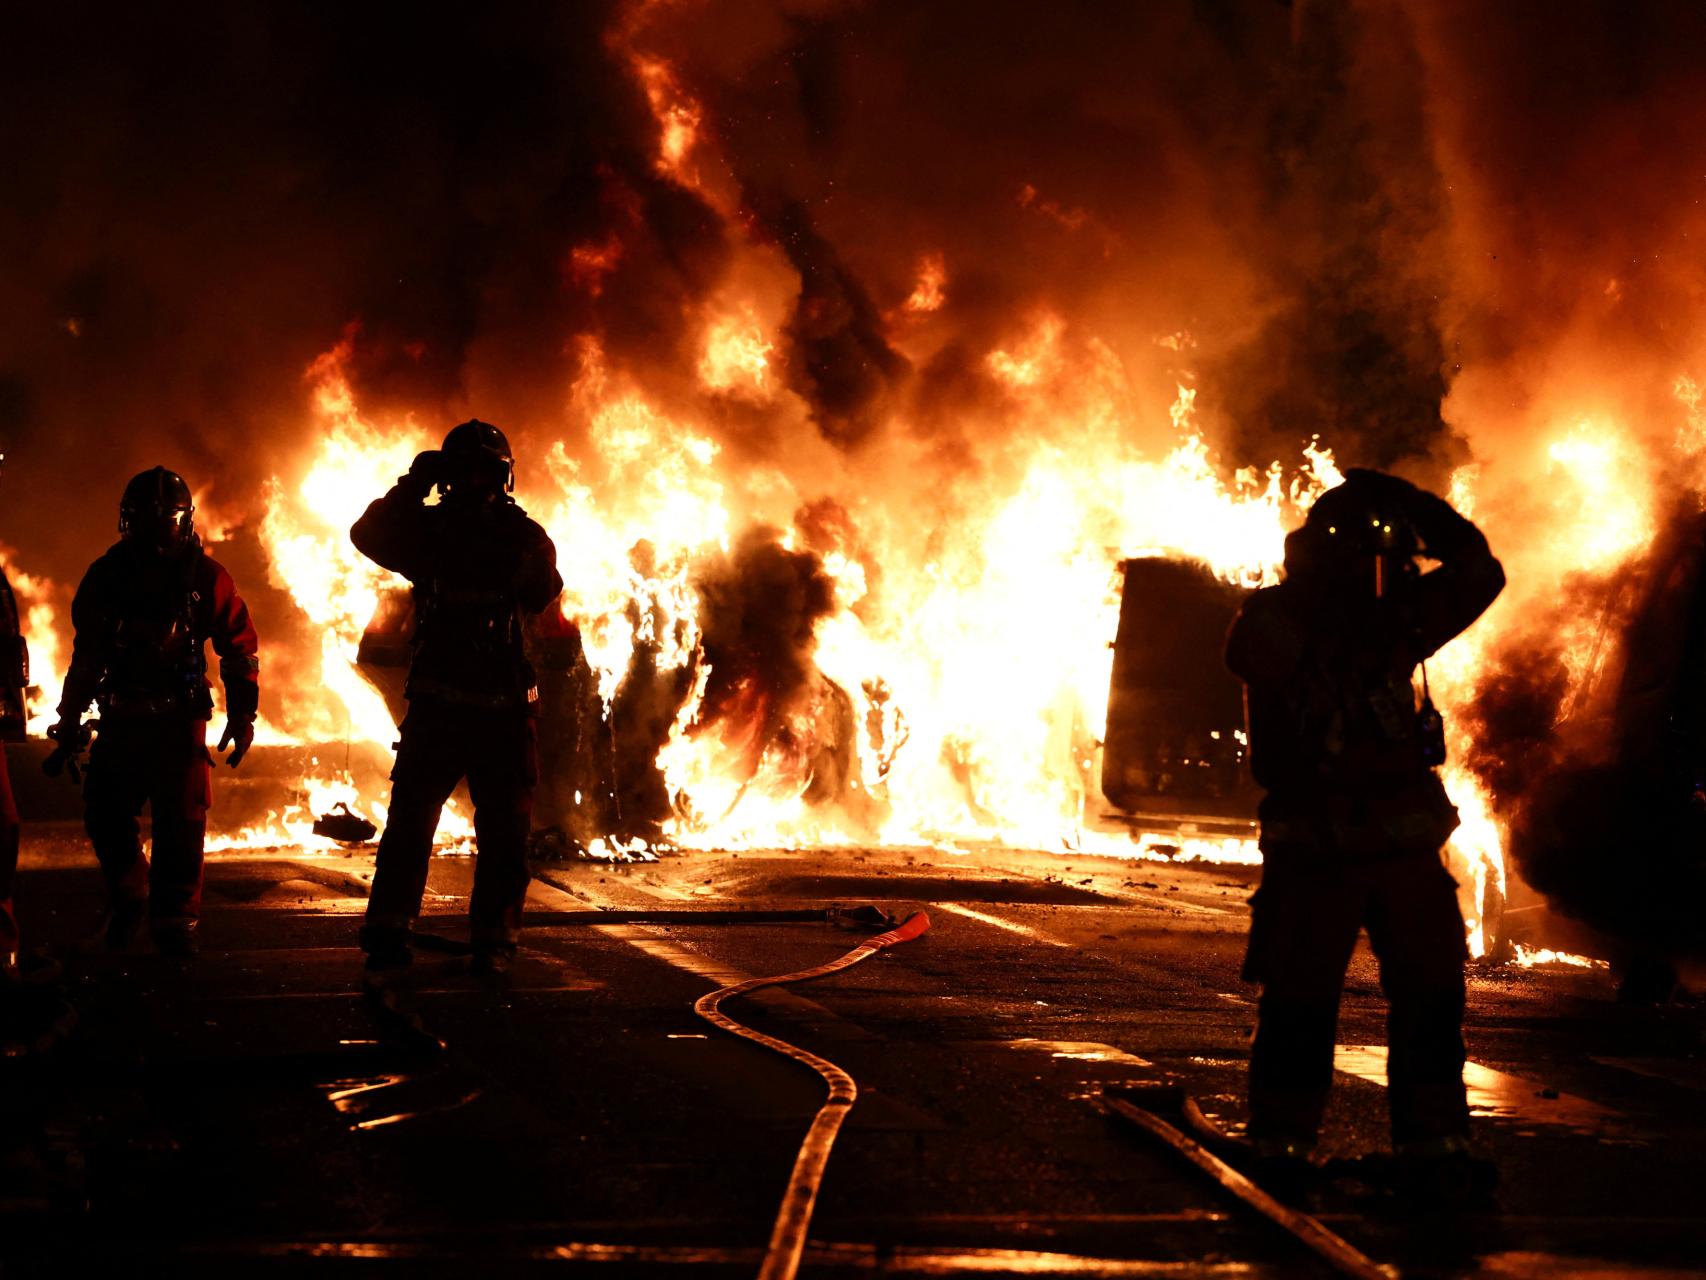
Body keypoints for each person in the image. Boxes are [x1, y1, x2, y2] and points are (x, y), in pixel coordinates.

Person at [1225, 468, 1504, 1194]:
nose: (1389, 574)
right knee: (1301, 1002)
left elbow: (1479, 571)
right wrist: (1338, 604)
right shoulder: (1278, 619)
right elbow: (1256, 654)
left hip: (1405, 849)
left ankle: (1434, 1145)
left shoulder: (1395, 620)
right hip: (1318, 850)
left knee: (1434, 996)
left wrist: (1414, 507)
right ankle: (1281, 1144)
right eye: (1375, 558)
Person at [352, 420, 562, 976]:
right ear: (447, 477)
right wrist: (410, 485)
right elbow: (367, 533)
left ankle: (493, 941)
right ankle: (389, 932)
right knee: (412, 824)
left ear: (502, 478)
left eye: (483, 472)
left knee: (504, 834)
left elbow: (544, 588)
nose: (474, 482)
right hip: (445, 707)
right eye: (462, 472)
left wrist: (498, 548)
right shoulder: (431, 532)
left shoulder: (518, 536)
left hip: (502, 707)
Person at [48, 467, 259, 959]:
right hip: (121, 718)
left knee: (182, 824)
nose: (154, 533)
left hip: (178, 721)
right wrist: (71, 714)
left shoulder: (206, 578)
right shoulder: (106, 576)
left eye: (165, 521)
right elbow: (87, 656)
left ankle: (175, 921)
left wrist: (243, 713)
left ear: (183, 523)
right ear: (127, 522)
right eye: (145, 521)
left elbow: (239, 648)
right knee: (104, 814)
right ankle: (131, 892)